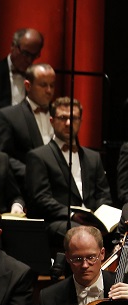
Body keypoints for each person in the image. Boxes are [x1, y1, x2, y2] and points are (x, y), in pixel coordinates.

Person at [25, 97, 113, 245]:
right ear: (52, 121)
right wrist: (72, 215)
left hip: (91, 221)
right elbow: (41, 199)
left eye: (73, 118)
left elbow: (104, 194)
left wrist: (101, 217)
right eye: (62, 118)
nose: (68, 123)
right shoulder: (38, 156)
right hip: (58, 221)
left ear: (80, 121)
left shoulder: (93, 157)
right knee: (82, 234)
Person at [0, 63, 57, 183]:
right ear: (28, 86)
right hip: (25, 186)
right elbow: (0, 157)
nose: (49, 90)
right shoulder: (8, 116)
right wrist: (31, 173)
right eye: (43, 85)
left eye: (52, 85)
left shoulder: (60, 115)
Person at [0, 28, 44, 111]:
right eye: (25, 53)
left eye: (34, 56)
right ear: (13, 46)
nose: (29, 60)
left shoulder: (36, 77)